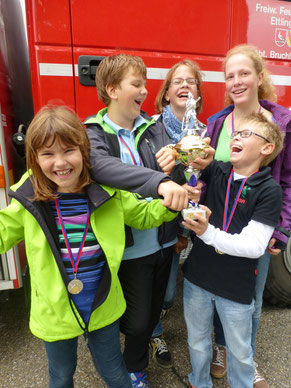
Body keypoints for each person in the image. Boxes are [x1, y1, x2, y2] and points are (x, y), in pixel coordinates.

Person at [1, 105, 179, 388]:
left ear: (84, 152)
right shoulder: (29, 195)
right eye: (48, 154)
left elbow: (142, 215)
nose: (60, 163)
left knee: (114, 373)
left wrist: (170, 206)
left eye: (68, 150)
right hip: (55, 311)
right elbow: (2, 232)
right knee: (61, 375)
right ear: (34, 158)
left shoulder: (106, 188)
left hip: (102, 304)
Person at [84, 53, 190, 388]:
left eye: (144, 84)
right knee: (138, 317)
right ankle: (134, 368)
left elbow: (180, 179)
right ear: (112, 89)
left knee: (161, 304)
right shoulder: (92, 132)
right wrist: (158, 180)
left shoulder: (154, 128)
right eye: (136, 84)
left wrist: (178, 160)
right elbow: (102, 168)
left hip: (164, 239)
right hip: (128, 249)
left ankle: (137, 356)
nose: (145, 91)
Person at [206, 44, 291, 388]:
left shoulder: (281, 122)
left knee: (251, 301)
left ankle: (247, 358)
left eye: (244, 73)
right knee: (214, 292)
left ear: (259, 76)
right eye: (230, 76)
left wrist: (281, 230)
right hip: (219, 224)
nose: (237, 81)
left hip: (258, 225)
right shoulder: (216, 124)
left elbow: (287, 181)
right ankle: (221, 350)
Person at [182, 113, 284, 388]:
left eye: (246, 134)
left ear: (266, 148)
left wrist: (207, 232)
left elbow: (254, 247)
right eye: (236, 133)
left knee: (239, 353)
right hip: (198, 279)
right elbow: (189, 181)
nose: (236, 137)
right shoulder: (218, 170)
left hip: (236, 288)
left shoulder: (269, 191)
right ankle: (199, 381)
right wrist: (190, 174)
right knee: (197, 341)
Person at [150, 59, 206, 368]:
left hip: (183, 228)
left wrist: (184, 234)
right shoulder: (152, 129)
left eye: (191, 81)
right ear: (167, 93)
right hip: (155, 224)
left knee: (169, 294)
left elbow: (202, 186)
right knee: (160, 291)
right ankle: (154, 333)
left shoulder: (203, 133)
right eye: (177, 81)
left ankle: (155, 317)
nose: (185, 85)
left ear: (198, 92)